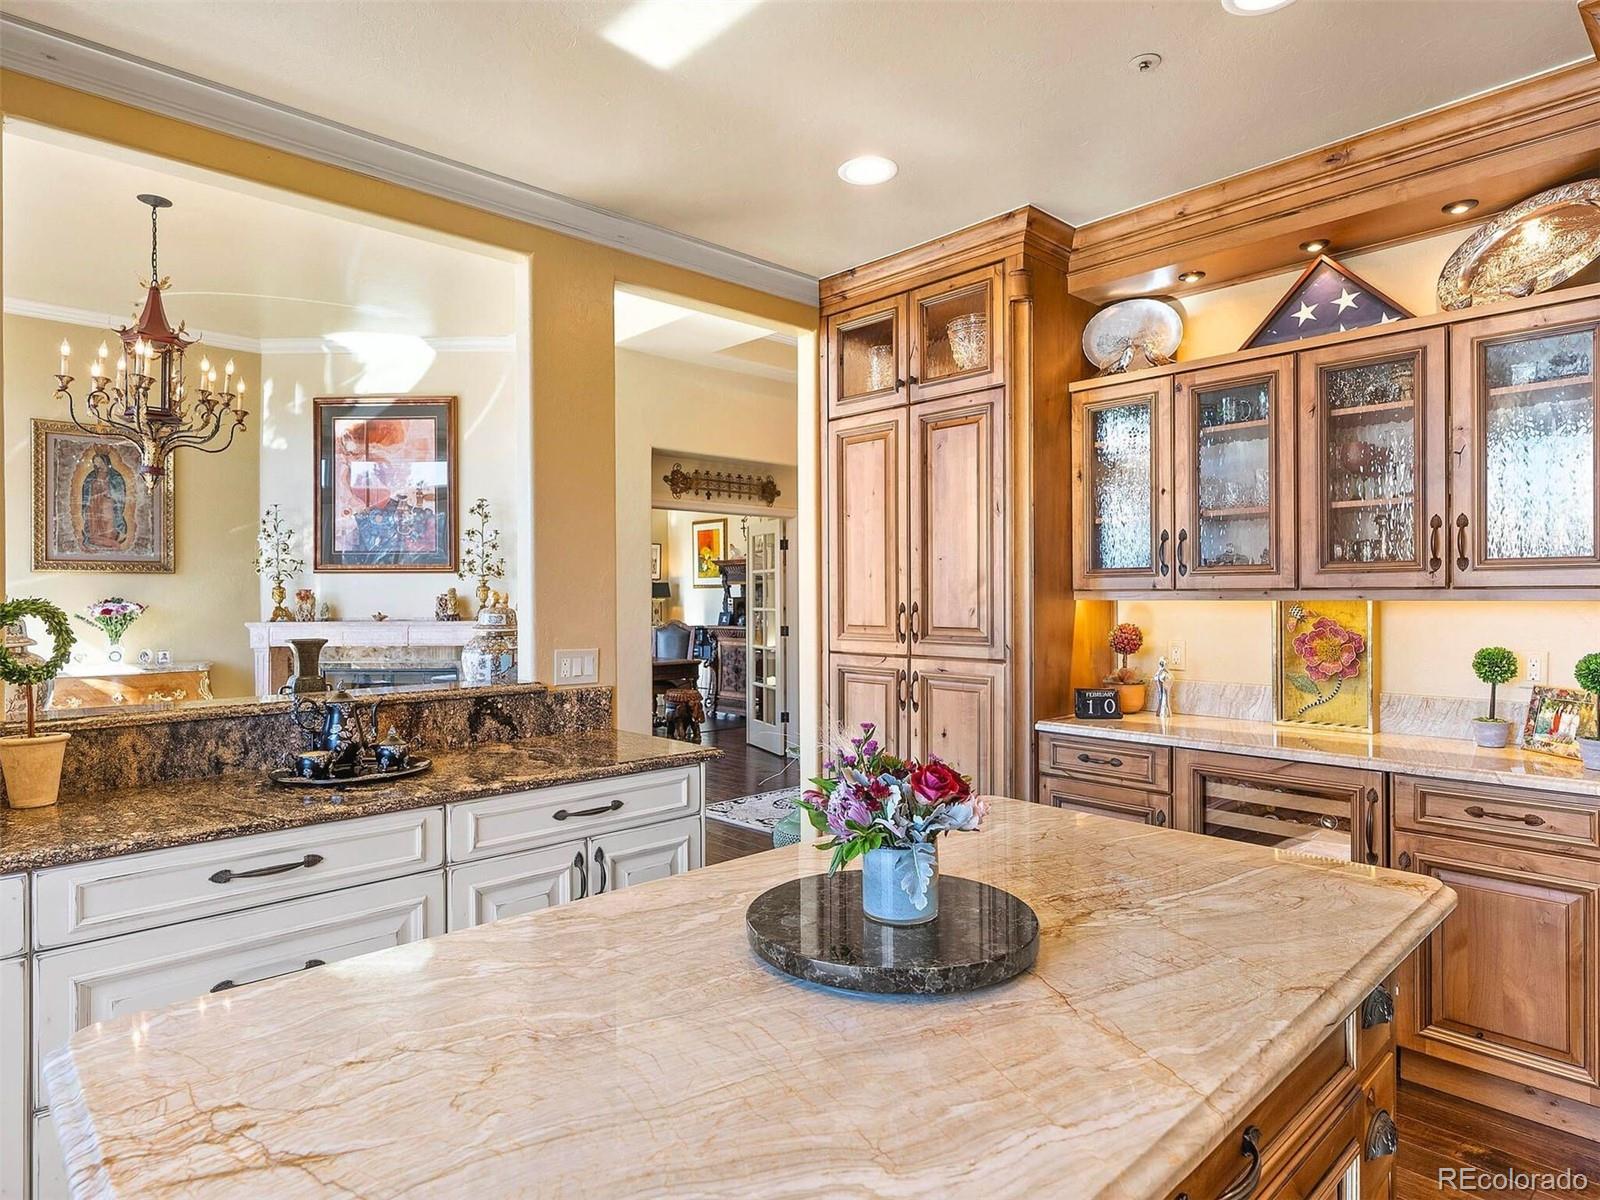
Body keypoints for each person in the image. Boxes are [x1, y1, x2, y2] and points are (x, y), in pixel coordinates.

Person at [80, 450, 129, 550]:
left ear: (105, 462)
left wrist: (108, 490)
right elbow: (86, 490)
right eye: (95, 462)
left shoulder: (115, 476)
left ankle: (109, 540)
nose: (97, 464)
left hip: (108, 503)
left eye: (99, 462)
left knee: (108, 521)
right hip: (94, 503)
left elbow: (118, 492)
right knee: (94, 522)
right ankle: (95, 540)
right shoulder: (91, 475)